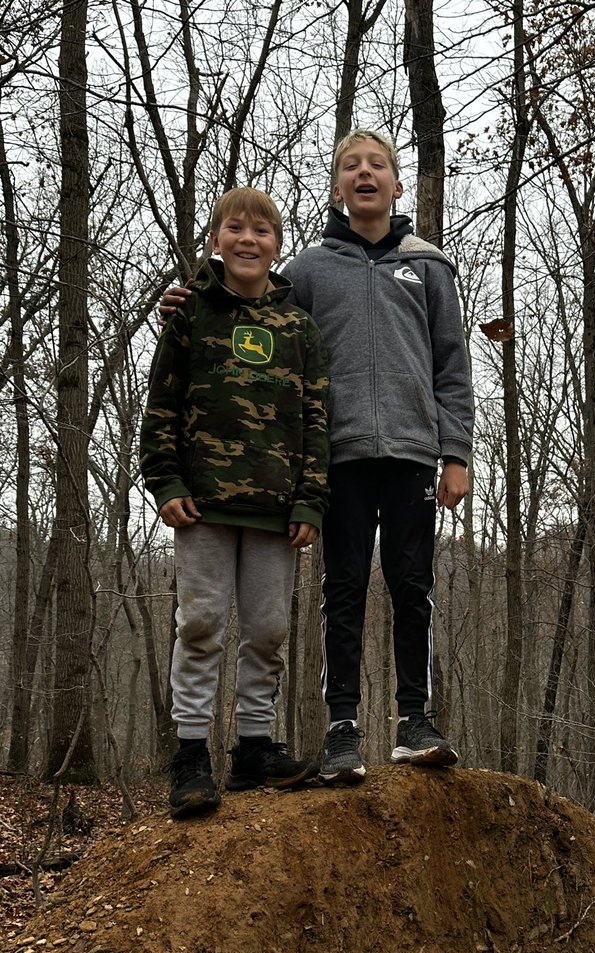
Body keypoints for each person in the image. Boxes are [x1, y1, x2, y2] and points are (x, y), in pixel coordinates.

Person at [161, 131, 474, 785]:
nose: (365, 173)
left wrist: (456, 452)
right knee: (344, 589)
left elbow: (452, 364)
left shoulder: (430, 266)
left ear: (395, 184)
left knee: (414, 586)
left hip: (417, 452)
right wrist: (188, 295)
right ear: (337, 188)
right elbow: (251, 315)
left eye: (378, 166)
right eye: (351, 166)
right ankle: (341, 728)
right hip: (339, 458)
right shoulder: (306, 271)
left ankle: (415, 720)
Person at [141, 187, 330, 819]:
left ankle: (254, 750)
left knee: (269, 629)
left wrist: (310, 501)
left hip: (277, 511)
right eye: (235, 228)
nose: (248, 239)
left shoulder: (298, 325)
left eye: (262, 231)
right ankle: (191, 755)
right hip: (203, 507)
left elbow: (315, 417)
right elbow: (161, 404)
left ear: (278, 245)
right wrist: (165, 484)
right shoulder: (189, 312)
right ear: (217, 240)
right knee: (199, 624)